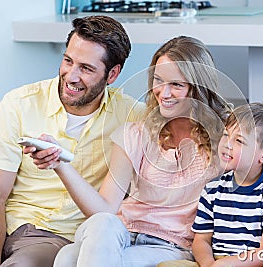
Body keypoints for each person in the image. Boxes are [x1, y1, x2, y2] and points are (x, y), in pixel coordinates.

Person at [31, 36, 232, 267]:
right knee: (98, 228)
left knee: (69, 258)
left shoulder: (224, 138)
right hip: (119, 234)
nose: (163, 93)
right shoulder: (136, 133)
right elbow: (104, 208)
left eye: (176, 85)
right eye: (158, 80)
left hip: (171, 245)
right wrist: (59, 163)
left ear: (199, 89)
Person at [0, 15, 145, 267]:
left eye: (86, 68)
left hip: (82, 240)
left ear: (112, 74)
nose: (71, 76)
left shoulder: (132, 116)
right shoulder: (19, 104)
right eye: (68, 61)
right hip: (25, 231)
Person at [157, 102, 263, 267]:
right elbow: (201, 240)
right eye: (226, 135)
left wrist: (228, 264)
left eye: (239, 141)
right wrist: (208, 264)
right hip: (213, 262)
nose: (227, 144)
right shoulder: (213, 189)